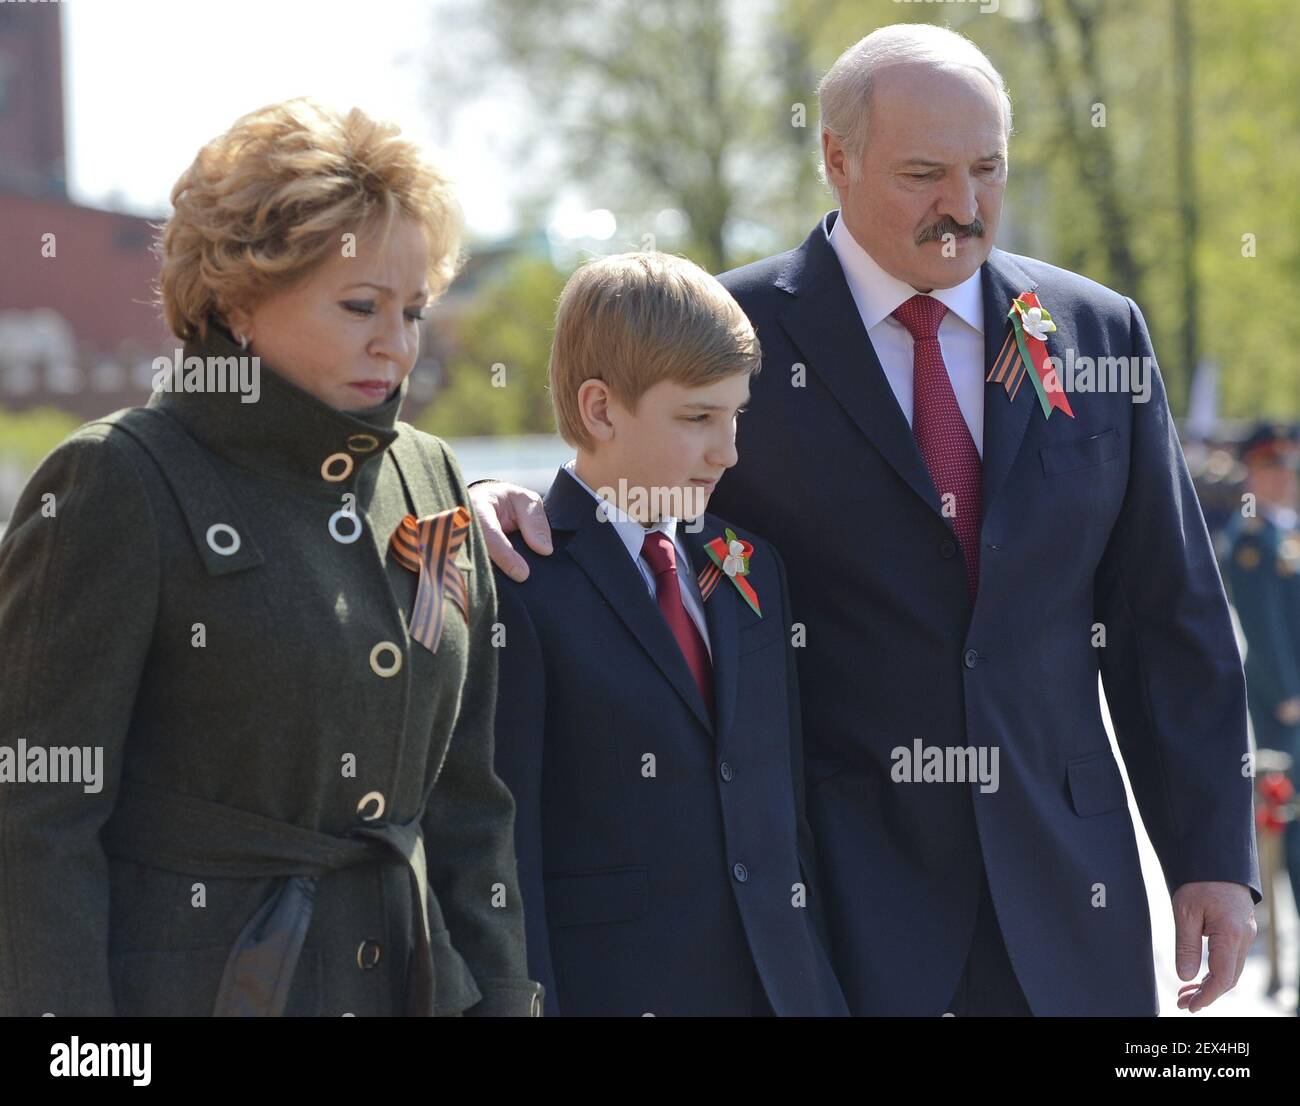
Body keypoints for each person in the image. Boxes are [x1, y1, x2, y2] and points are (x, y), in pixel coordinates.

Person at [469, 25, 1259, 1015]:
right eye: (923, 174)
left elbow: (1166, 613)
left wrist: (1211, 856)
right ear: (835, 160)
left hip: (1071, 901)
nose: (962, 208)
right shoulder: (737, 332)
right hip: (842, 912)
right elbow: (634, 492)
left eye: (986, 170)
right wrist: (492, 505)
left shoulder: (1098, 333)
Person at [0, 98, 541, 1017]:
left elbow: (468, 806)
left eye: (414, 309)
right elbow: (36, 827)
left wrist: (500, 1000)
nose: (397, 343)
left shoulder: (431, 474)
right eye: (361, 305)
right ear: (241, 300)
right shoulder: (114, 481)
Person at [491, 252, 847, 1016]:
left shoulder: (750, 568)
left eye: (734, 416)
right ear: (600, 410)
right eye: (697, 418)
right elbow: (503, 855)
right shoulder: (519, 582)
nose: (728, 451)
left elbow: (783, 814)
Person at [1223, 421, 1300, 1004]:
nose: (1287, 480)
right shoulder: (1252, 538)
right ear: (1255, 471)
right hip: (1287, 712)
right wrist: (1285, 696)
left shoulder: (1286, 534)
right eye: (1276, 468)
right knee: (1290, 827)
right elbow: (1265, 632)